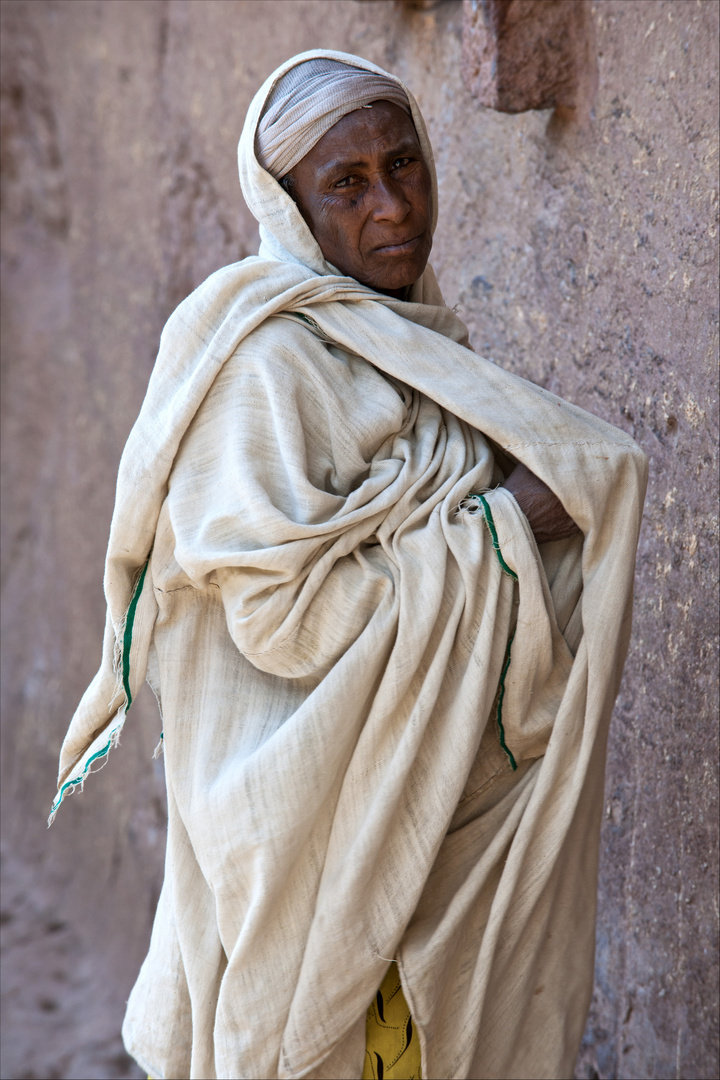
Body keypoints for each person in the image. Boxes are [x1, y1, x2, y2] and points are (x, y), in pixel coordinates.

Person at [51, 51, 647, 1080]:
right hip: (308, 837)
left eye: (404, 164)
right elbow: (289, 621)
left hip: (414, 811)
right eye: (347, 184)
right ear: (288, 208)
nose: (392, 206)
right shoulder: (263, 365)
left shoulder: (410, 345)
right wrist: (506, 524)